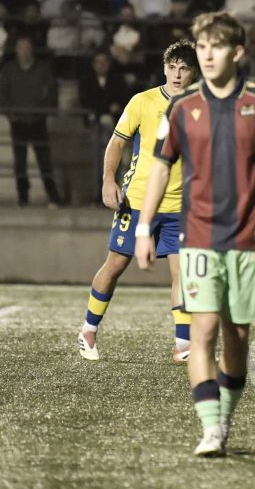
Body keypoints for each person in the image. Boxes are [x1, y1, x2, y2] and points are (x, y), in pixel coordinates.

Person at [135, 12, 255, 457]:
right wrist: (145, 227)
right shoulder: (181, 108)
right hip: (197, 237)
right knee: (201, 331)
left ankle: (225, 415)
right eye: (200, 47)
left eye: (214, 47)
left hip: (246, 239)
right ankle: (210, 428)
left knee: (235, 334)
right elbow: (160, 169)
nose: (205, 55)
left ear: (236, 52)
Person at [76, 41, 198, 362]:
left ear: (194, 72)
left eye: (184, 68)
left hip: (180, 205)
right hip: (139, 199)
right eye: (172, 67)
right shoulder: (142, 102)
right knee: (116, 263)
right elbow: (117, 143)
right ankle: (88, 330)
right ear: (163, 68)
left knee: (182, 272)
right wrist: (107, 179)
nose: (177, 74)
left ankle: (183, 345)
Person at [0, 34, 61, 207]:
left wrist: (45, 111)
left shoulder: (42, 69)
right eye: (20, 47)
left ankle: (53, 196)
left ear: (32, 48)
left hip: (38, 121)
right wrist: (11, 115)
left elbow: (52, 92)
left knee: (44, 160)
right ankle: (23, 197)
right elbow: (2, 96)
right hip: (18, 122)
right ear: (16, 49)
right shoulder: (9, 70)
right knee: (20, 162)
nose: (24, 51)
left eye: (26, 47)